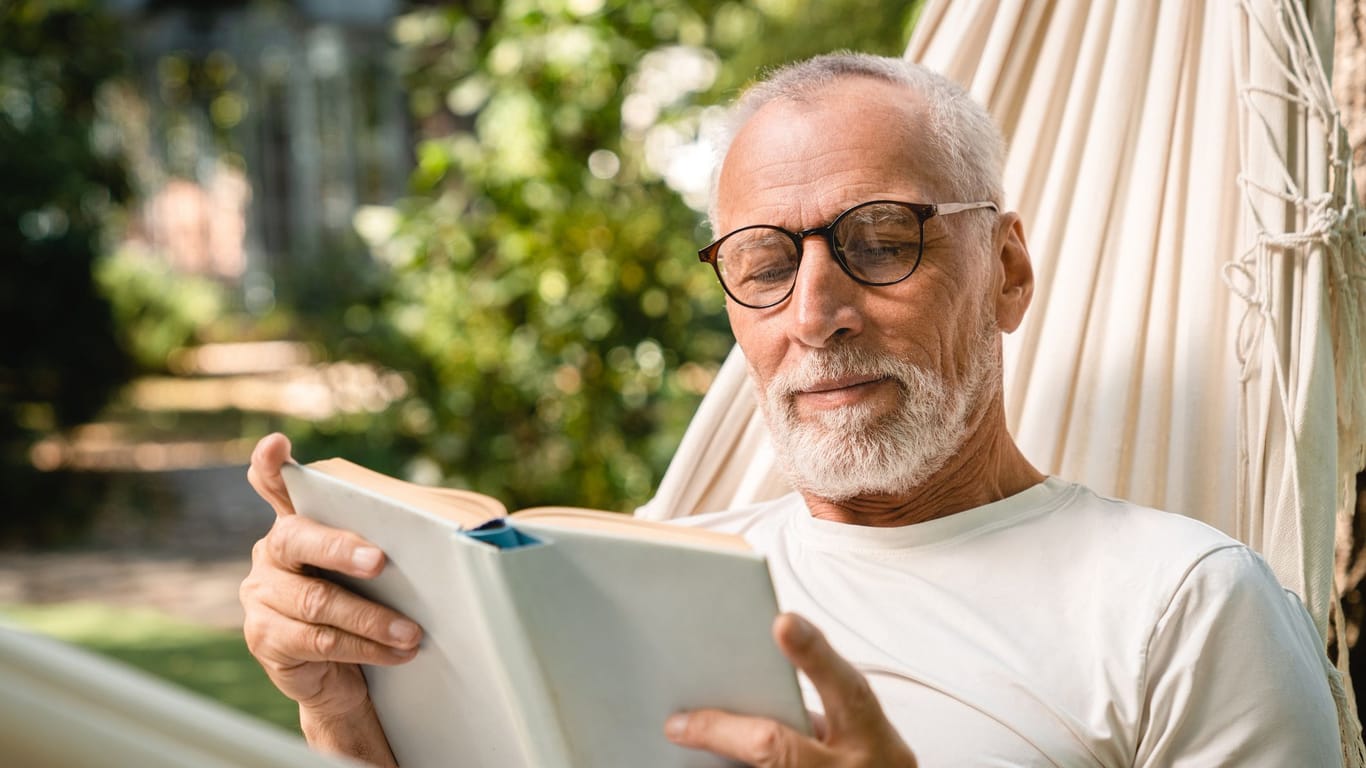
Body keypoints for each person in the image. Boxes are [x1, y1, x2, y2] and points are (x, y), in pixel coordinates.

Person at [241, 53, 1342, 766]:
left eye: (878, 242)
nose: (816, 313)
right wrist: (344, 718)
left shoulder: (1180, 607)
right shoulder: (654, 583)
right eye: (764, 262)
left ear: (1007, 270)